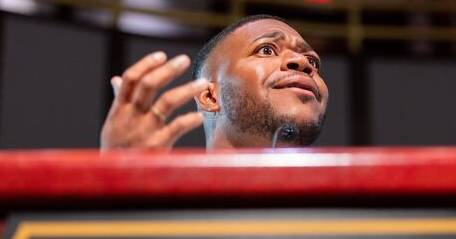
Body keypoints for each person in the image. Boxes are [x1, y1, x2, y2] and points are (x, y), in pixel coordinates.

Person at [100, 15, 329, 150]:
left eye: (312, 61)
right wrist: (120, 178)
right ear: (209, 96)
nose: (302, 62)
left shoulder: (353, 214)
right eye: (266, 50)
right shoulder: (167, 210)